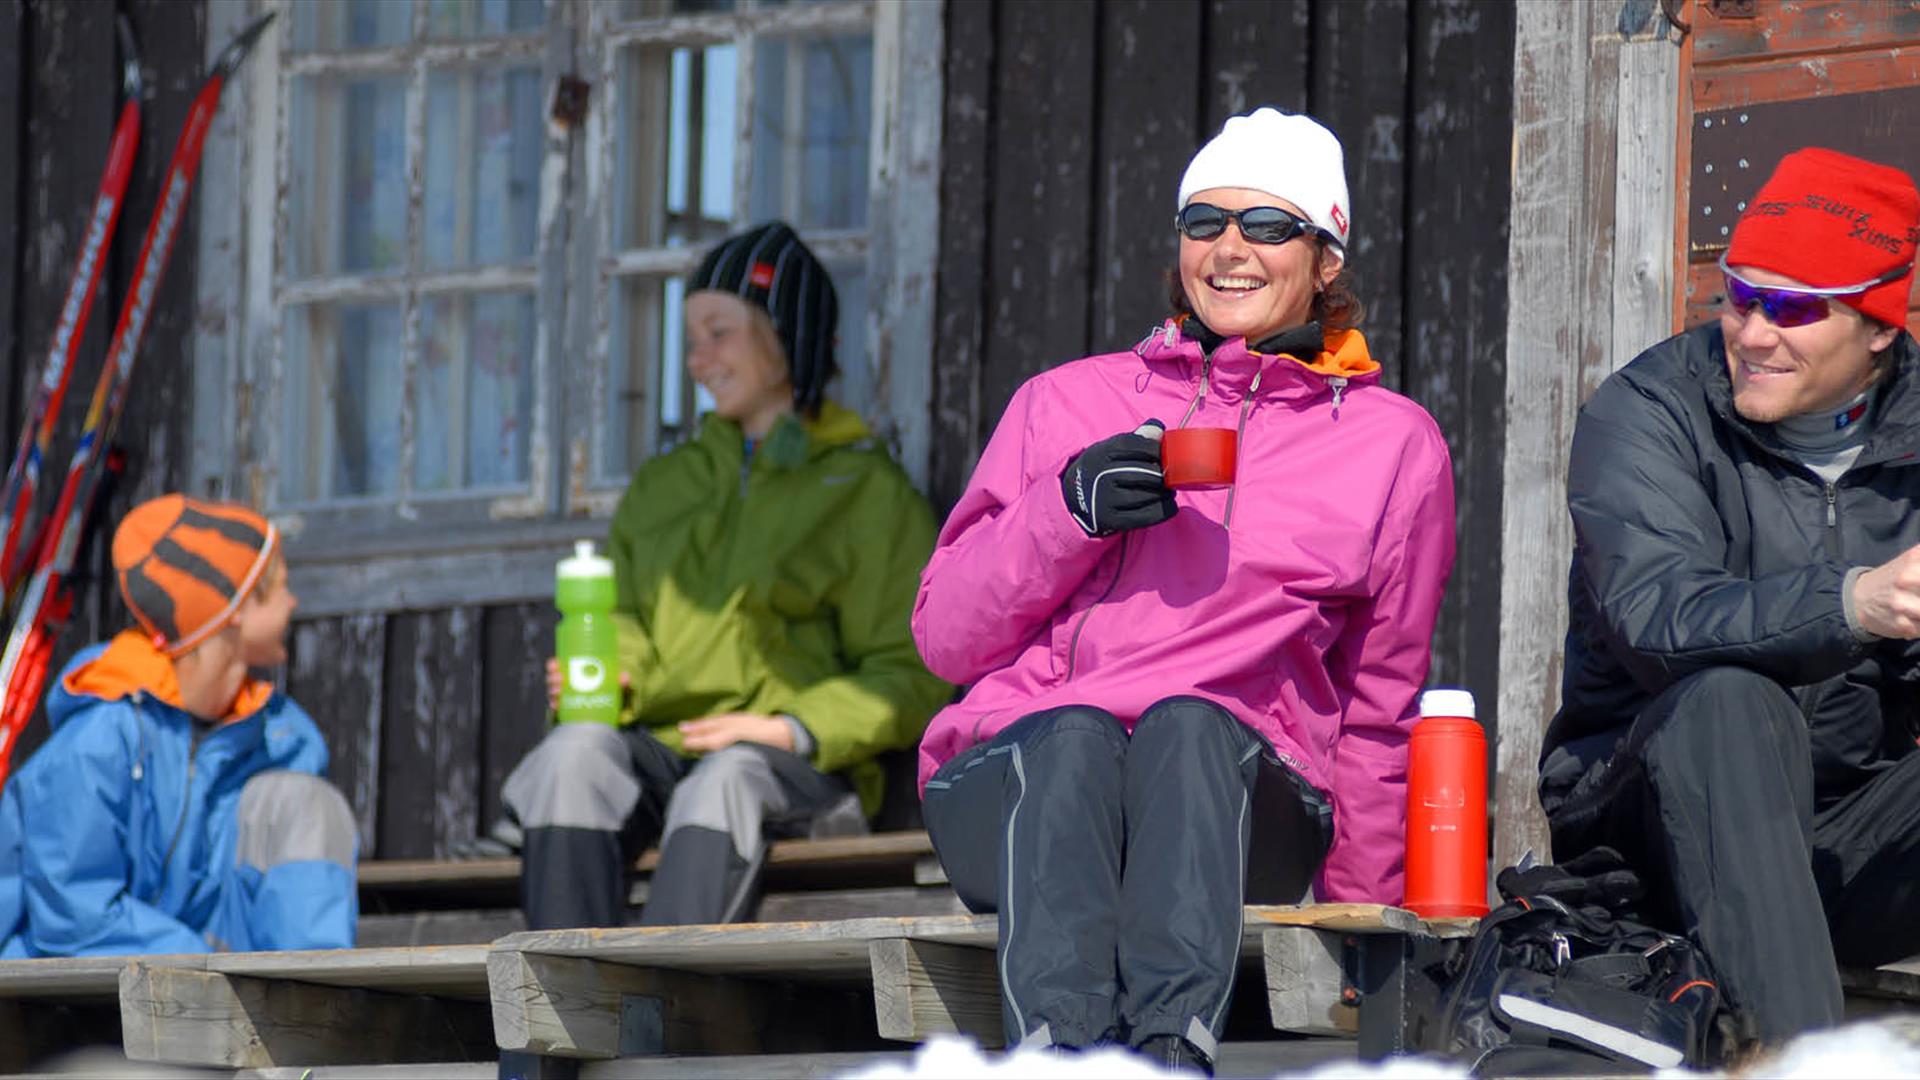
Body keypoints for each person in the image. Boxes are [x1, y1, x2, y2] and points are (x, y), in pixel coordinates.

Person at [912, 108, 1457, 1073]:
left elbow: (1379, 706)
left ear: (1326, 257)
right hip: (1026, 790)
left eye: (1269, 225)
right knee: (1075, 735)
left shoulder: (1391, 444)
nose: (1230, 248)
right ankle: (1060, 1059)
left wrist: (1358, 924)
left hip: (1239, 803)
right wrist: (1066, 511)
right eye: (1205, 222)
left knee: (1188, 723)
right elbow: (946, 639)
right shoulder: (1064, 402)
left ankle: (1170, 1056)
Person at [1538, 147, 1920, 1046]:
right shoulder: (1647, 410)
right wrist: (1855, 602)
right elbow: (1656, 618)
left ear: (1876, 327)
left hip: (1841, 847)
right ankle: (1802, 1068)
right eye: (1741, 296)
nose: (1751, 333)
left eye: (1790, 308)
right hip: (1648, 845)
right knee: (1728, 698)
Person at [494, 220, 952, 931]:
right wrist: (620, 675)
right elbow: (629, 622)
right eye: (692, 338)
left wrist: (790, 729)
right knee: (570, 758)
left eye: (719, 331)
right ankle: (557, 1023)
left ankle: (656, 1027)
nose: (698, 360)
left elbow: (915, 669)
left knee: (725, 782)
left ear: (783, 333)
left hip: (789, 769)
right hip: (664, 746)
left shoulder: (865, 491)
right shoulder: (666, 484)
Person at [0, 495, 356, 956]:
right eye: (281, 586)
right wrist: (199, 968)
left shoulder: (287, 739)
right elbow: (72, 915)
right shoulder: (98, 740)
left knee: (307, 801)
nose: (293, 602)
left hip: (220, 993)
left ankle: (315, 1005)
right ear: (236, 609)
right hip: (66, 998)